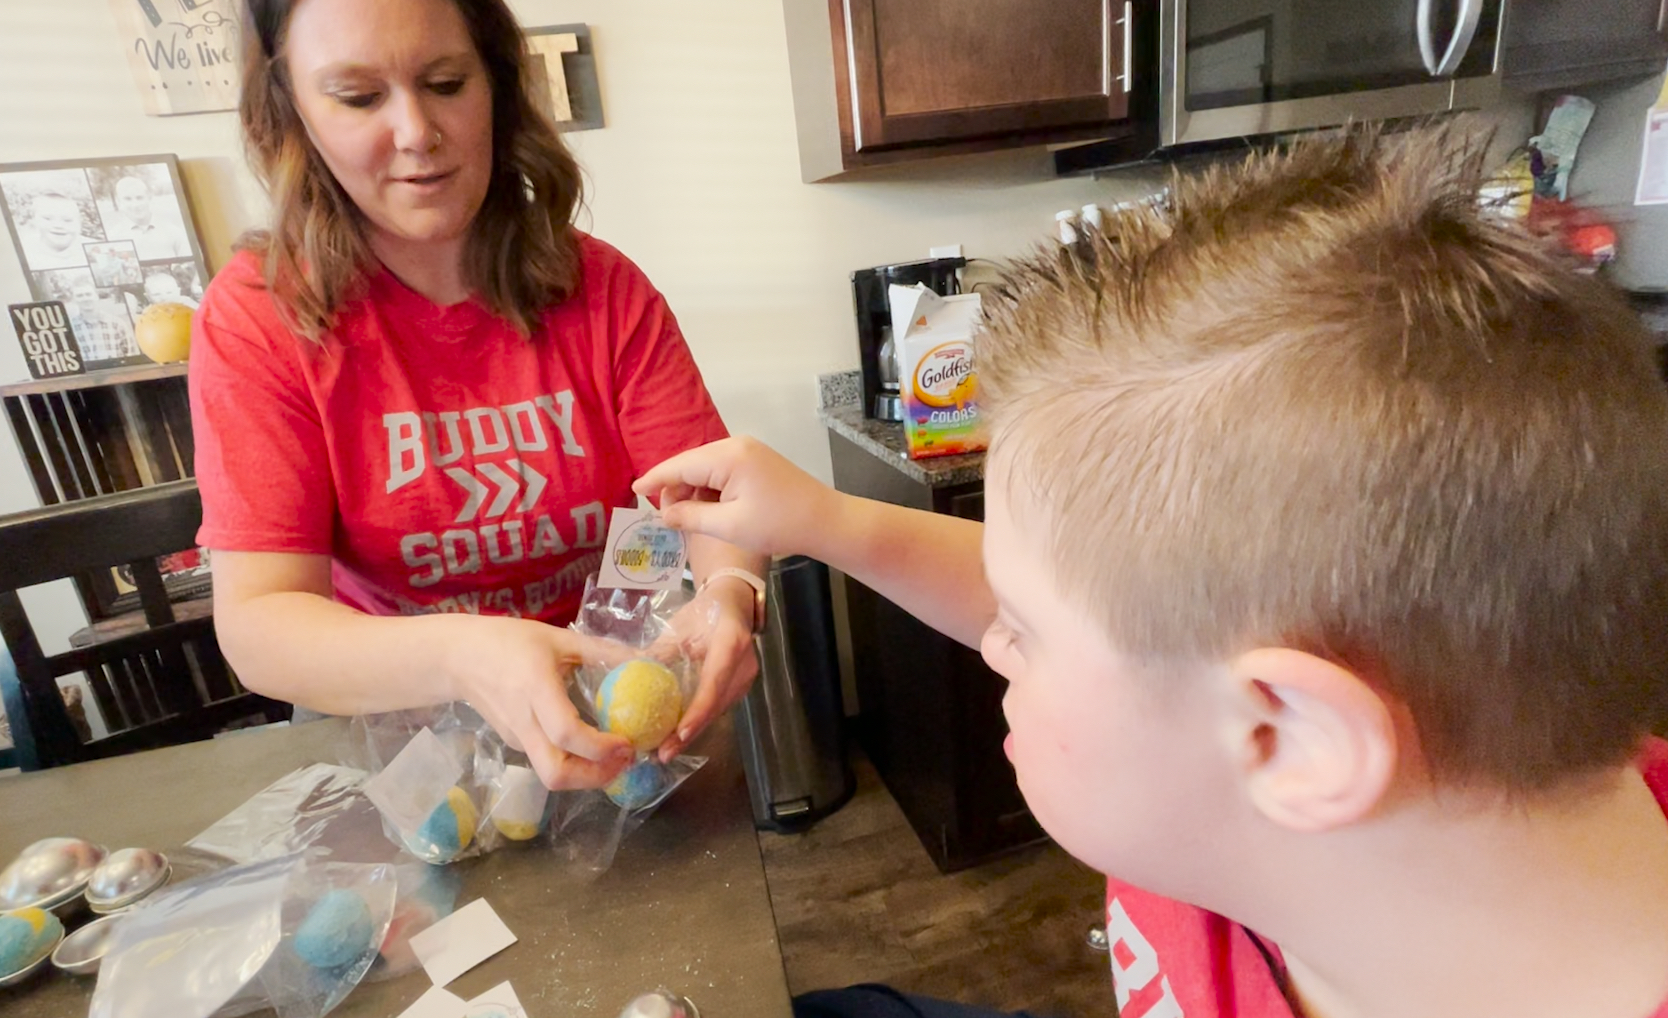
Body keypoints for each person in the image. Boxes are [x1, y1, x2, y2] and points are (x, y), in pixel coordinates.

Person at [636, 126, 1668, 1018]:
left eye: (1025, 632)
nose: (993, 635)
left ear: (1285, 734)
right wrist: (824, 520)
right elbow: (1135, 627)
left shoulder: (1211, 778)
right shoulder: (1277, 779)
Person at [190, 0, 766, 791]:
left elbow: (709, 501)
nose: (417, 131)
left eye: (446, 82)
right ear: (292, 113)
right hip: (406, 749)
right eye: (358, 98)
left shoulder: (602, 289)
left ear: (495, 82)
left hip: (611, 727)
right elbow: (261, 627)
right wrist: (467, 654)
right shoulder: (261, 316)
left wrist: (734, 592)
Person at [106, 175, 191, 260]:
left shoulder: (173, 231)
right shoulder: (113, 236)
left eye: (139, 198)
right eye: (127, 199)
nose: (135, 205)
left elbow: (191, 266)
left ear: (149, 197)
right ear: (119, 201)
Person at [19, 192, 91, 270]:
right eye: (47, 218)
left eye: (67, 220)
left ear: (79, 223)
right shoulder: (25, 250)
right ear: (34, 220)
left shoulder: (92, 248)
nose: (58, 225)